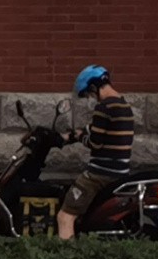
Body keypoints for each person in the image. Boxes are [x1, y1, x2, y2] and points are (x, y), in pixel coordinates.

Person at [50, 64, 136, 234]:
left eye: (89, 93)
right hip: (120, 172)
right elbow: (106, 128)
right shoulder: (124, 106)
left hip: (99, 175)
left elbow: (95, 143)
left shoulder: (103, 107)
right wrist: (83, 131)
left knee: (65, 216)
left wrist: (80, 137)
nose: (91, 98)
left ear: (93, 87)